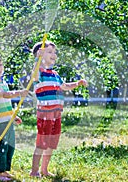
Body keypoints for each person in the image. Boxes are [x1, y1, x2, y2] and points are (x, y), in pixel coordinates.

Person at [30, 41, 88, 177]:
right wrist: (38, 59)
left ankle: (44, 170)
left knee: (51, 142)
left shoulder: (55, 74)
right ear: (40, 54)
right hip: (45, 113)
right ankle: (34, 171)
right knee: (42, 142)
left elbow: (65, 86)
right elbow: (35, 76)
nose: (53, 54)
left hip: (56, 113)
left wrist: (77, 83)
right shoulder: (39, 71)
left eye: (54, 52)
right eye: (49, 52)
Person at [0, 54, 29, 181]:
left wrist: (13, 116)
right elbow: (4, 95)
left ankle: (3, 171)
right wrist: (19, 93)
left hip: (7, 120)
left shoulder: (3, 83)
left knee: (10, 146)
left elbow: (6, 104)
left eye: (0, 65)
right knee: (2, 146)